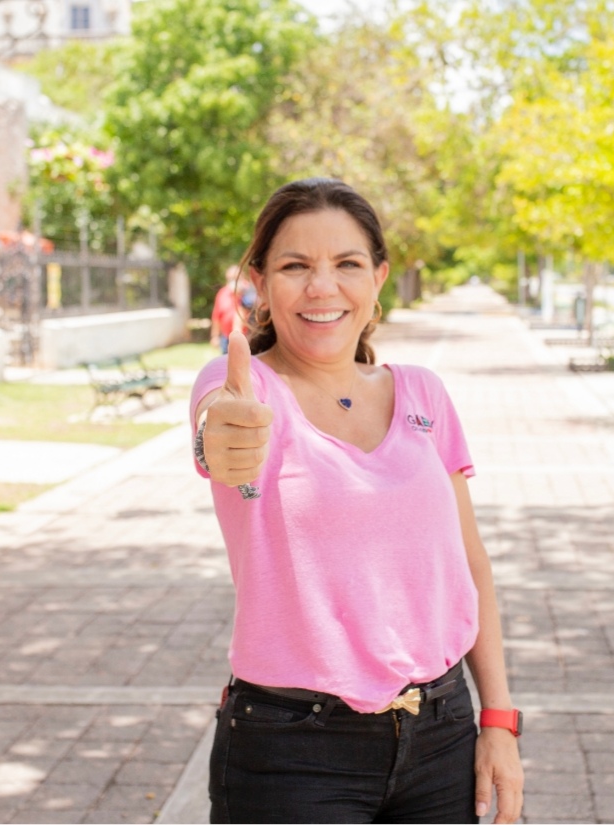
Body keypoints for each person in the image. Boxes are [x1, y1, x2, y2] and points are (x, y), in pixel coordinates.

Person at [189, 178, 524, 824]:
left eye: (346, 264)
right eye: (295, 266)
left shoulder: (424, 393)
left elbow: (472, 565)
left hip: (443, 732)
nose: (322, 286)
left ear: (379, 278)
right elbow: (218, 425)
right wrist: (219, 437)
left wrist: (499, 720)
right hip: (292, 751)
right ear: (260, 280)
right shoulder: (245, 387)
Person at [210, 264, 245, 354]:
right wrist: (215, 336)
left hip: (247, 337)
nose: (233, 281)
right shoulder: (222, 293)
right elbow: (216, 317)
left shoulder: (249, 293)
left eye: (236, 277)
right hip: (227, 338)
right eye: (231, 278)